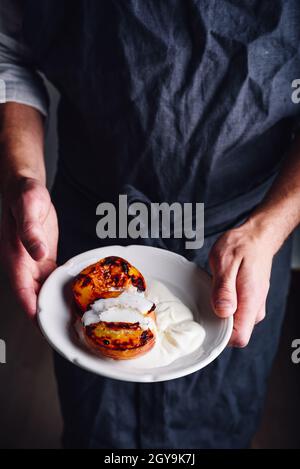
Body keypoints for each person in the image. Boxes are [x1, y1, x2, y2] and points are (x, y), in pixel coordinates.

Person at [0, 0, 300, 449]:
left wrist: (272, 224)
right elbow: (9, 54)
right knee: (97, 428)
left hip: (244, 233)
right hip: (92, 219)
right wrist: (22, 178)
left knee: (220, 424)